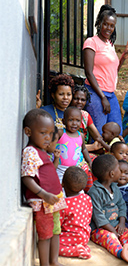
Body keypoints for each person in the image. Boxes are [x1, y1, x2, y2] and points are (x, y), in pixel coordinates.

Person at [21, 109, 68, 266]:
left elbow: (47, 173)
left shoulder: (42, 151)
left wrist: (55, 160)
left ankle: (54, 261)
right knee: (45, 234)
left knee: (55, 231)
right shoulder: (30, 152)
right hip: (42, 202)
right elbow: (27, 177)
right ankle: (45, 264)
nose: (48, 138)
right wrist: (43, 194)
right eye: (43, 133)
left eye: (50, 134)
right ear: (28, 132)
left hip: (52, 201)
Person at [83, 4, 128, 135]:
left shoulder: (109, 44)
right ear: (99, 23)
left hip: (110, 94)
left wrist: (123, 58)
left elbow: (113, 71)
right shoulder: (91, 42)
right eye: (106, 24)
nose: (108, 28)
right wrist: (102, 97)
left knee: (116, 132)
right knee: (99, 133)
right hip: (95, 93)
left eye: (112, 26)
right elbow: (88, 72)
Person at [59, 166, 92, 259]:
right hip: (85, 236)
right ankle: (82, 246)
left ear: (62, 184)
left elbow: (57, 226)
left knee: (52, 246)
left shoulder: (63, 204)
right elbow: (88, 217)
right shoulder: (87, 198)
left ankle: (77, 251)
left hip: (70, 238)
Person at [56, 107, 92, 184]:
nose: (74, 123)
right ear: (63, 121)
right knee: (60, 188)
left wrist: (89, 161)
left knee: (74, 186)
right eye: (71, 120)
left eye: (77, 120)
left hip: (75, 169)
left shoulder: (81, 136)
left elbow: (84, 149)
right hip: (60, 168)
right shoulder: (61, 133)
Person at [70, 84, 108, 152]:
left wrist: (107, 147)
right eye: (76, 98)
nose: (79, 102)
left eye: (83, 100)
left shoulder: (85, 115)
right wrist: (91, 147)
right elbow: (67, 145)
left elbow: (97, 137)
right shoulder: (65, 115)